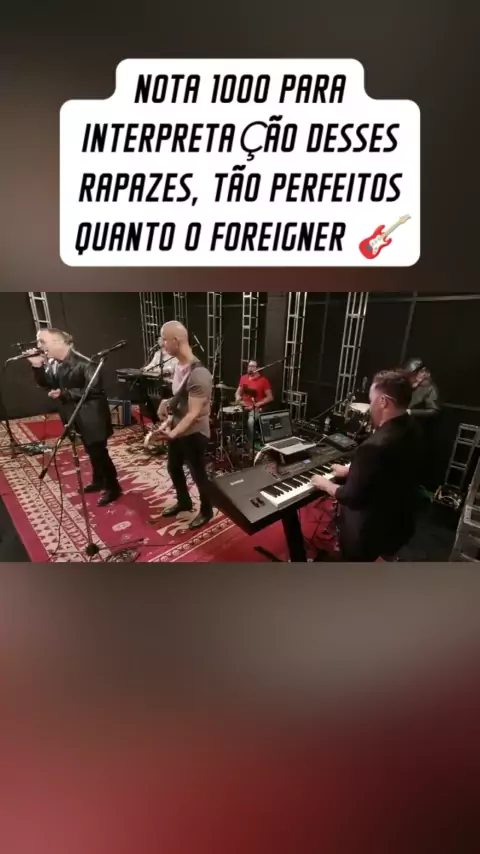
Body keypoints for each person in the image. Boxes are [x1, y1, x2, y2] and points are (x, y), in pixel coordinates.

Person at [311, 370, 422, 561]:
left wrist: (325, 484)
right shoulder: (413, 428)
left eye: (371, 401)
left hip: (368, 532)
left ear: (383, 401)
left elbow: (351, 496)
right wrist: (352, 471)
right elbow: (389, 470)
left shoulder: (373, 446)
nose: (370, 407)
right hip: (399, 522)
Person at [27, 328, 121, 506]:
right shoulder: (53, 363)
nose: (38, 346)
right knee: (90, 450)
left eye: (42, 341)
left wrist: (64, 393)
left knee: (99, 452)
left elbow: (94, 390)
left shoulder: (86, 363)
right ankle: (98, 480)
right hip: (74, 414)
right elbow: (46, 383)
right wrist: (37, 367)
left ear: (59, 342)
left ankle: (113, 487)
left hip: (92, 416)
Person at [150, 321, 213, 530]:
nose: (161, 344)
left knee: (198, 474)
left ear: (176, 340)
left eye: (164, 339)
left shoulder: (199, 373)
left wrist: (173, 433)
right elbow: (181, 400)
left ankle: (206, 510)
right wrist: (167, 405)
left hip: (194, 433)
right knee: (173, 467)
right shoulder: (179, 367)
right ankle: (184, 502)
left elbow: (193, 413)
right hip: (179, 430)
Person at [235, 360, 274, 445]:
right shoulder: (244, 378)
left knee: (250, 422)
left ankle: (251, 444)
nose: (250, 368)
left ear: (258, 368)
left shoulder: (264, 381)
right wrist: (237, 397)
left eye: (253, 366)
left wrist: (258, 404)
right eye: (249, 366)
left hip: (256, 408)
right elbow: (238, 392)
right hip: (244, 406)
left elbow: (270, 397)